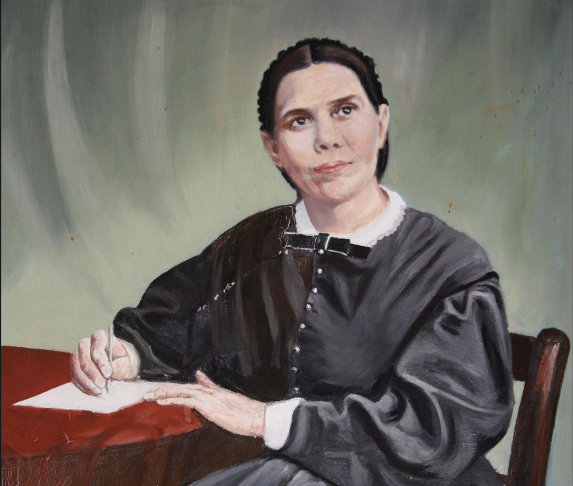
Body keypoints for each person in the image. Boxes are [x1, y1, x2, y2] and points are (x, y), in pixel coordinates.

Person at [70, 38, 514, 486]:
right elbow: (175, 324)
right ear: (274, 148)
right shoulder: (253, 243)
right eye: (300, 121)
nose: (327, 139)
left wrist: (267, 420)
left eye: (345, 110)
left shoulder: (451, 267)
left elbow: (436, 430)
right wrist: (126, 355)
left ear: (381, 124)